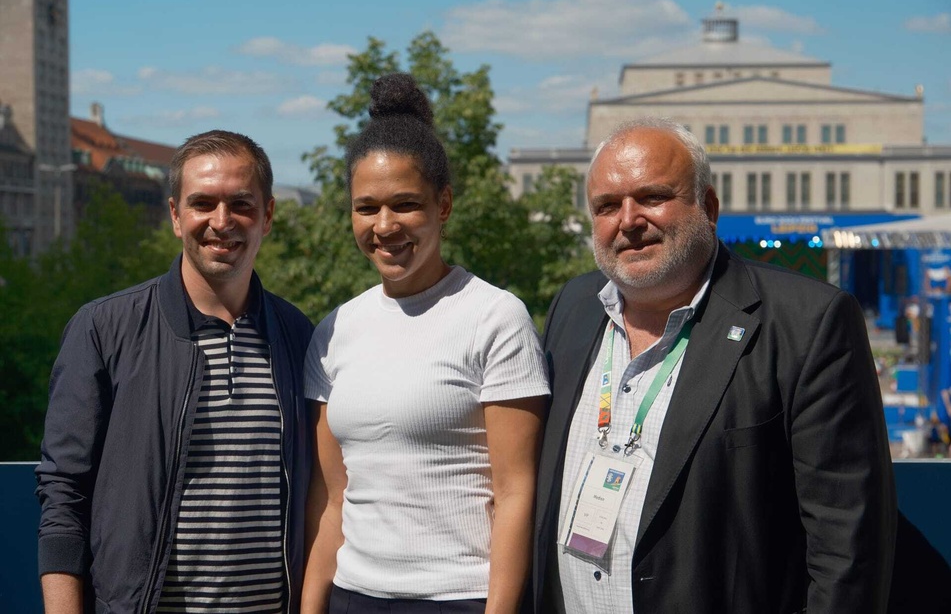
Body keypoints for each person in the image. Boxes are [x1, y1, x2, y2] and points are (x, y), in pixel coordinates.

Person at [532, 118, 897, 613]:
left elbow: (848, 547)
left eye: (653, 197)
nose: (629, 220)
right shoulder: (572, 308)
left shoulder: (807, 323)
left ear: (708, 207)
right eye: (607, 206)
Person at [35, 130, 315, 613]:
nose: (221, 222)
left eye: (241, 204)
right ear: (174, 215)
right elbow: (64, 494)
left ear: (267, 216)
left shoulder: (297, 335)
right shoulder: (105, 329)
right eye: (202, 203)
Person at [302, 73, 549, 613]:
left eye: (405, 205)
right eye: (366, 207)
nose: (385, 225)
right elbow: (333, 500)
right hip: (353, 597)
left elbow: (515, 494)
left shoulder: (495, 318)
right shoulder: (334, 330)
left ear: (444, 204)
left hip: (459, 597)